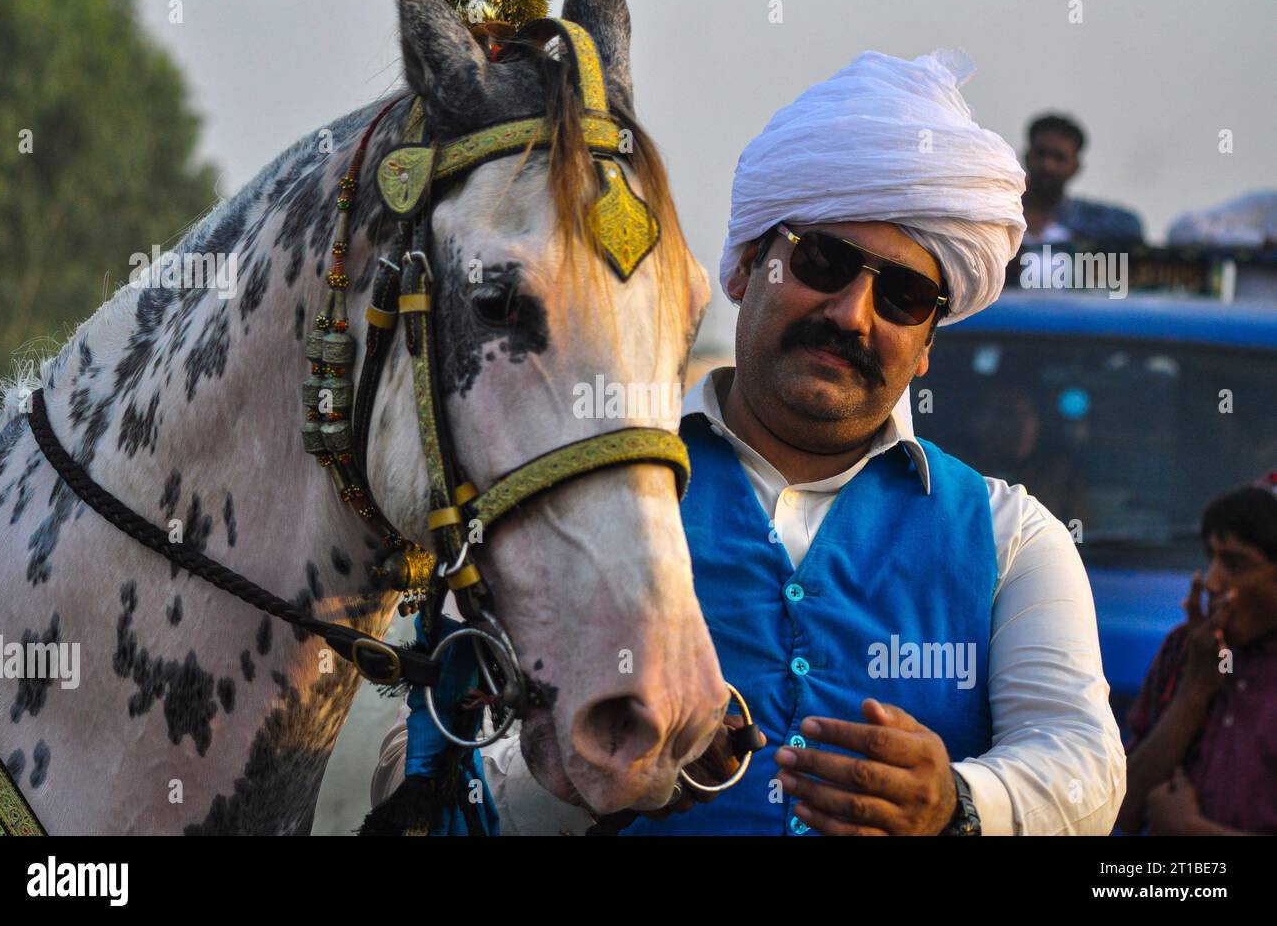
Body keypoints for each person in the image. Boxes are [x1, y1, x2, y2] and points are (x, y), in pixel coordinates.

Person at [375, 48, 1127, 835]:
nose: (851, 314)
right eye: (823, 260)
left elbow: (1085, 766)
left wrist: (957, 805)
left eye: (903, 294)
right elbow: (413, 763)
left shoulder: (1011, 538)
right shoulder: (574, 485)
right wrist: (595, 758)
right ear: (744, 268)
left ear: (929, 343)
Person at [1117, 474, 1277, 835]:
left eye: (1236, 564)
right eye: (1212, 558)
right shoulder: (1187, 648)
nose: (1213, 582)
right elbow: (1122, 813)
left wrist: (1189, 829)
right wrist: (1194, 689)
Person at [1021, 113, 1144, 245]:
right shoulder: (1002, 212)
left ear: (1076, 167)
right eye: (1041, 154)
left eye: (1059, 158)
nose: (1048, 166)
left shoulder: (1090, 219)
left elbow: (1132, 228)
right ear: (1026, 157)